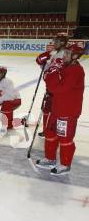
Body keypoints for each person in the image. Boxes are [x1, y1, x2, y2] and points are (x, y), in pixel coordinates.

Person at [36, 44, 85, 175]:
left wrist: (48, 76)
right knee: (50, 133)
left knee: (65, 138)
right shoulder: (65, 66)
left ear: (75, 57)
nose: (64, 56)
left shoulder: (76, 71)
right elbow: (55, 78)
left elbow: (58, 88)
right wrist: (50, 68)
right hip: (57, 108)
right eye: (65, 53)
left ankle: (65, 164)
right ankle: (50, 158)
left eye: (68, 54)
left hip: (67, 111)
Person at [35, 32, 68, 138]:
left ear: (62, 42)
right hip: (50, 88)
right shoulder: (54, 54)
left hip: (58, 90)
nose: (54, 43)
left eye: (57, 41)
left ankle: (54, 131)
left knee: (56, 111)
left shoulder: (65, 55)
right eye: (54, 41)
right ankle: (46, 130)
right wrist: (42, 64)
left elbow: (59, 72)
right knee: (46, 109)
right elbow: (47, 70)